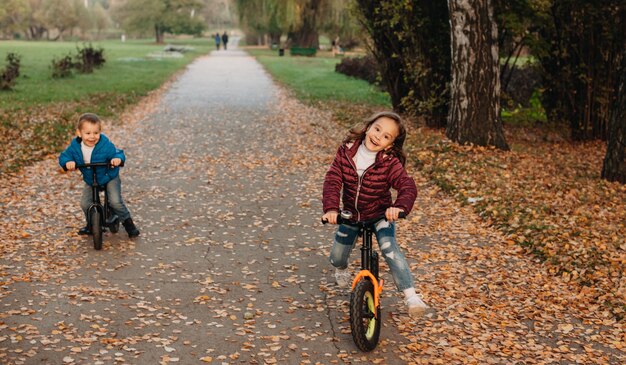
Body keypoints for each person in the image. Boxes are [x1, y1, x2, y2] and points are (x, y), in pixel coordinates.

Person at [321, 111, 427, 318]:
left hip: (380, 214)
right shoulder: (347, 152)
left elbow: (407, 185)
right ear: (368, 127)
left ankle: (411, 296)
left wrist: (399, 207)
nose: (378, 136)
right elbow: (333, 180)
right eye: (377, 129)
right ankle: (341, 268)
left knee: (390, 249)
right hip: (350, 214)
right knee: (337, 256)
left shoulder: (389, 162)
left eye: (386, 136)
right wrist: (331, 209)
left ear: (390, 145)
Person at [59, 113, 140, 238]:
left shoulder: (105, 144)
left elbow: (117, 152)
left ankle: (128, 223)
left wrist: (116, 159)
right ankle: (91, 224)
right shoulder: (75, 147)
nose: (92, 136)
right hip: (91, 179)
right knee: (85, 203)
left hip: (109, 176)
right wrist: (68, 162)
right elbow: (65, 156)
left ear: (100, 132)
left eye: (96, 133)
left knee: (115, 201)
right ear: (79, 133)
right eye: (88, 133)